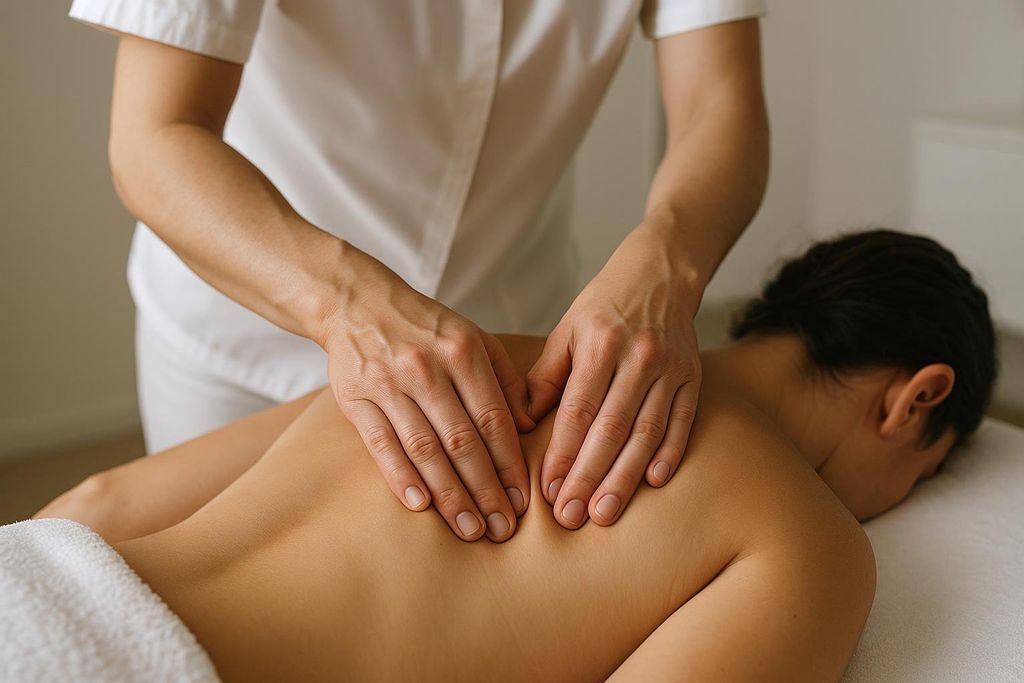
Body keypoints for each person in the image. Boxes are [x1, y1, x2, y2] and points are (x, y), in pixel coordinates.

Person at [36, 230, 997, 680]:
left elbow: (100, 500)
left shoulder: (462, 355)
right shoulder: (807, 542)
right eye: (928, 470)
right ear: (914, 399)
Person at [68, 0, 770, 540]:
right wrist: (344, 305)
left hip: (512, 333)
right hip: (247, 318)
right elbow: (155, 136)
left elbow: (719, 104)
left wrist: (667, 266)